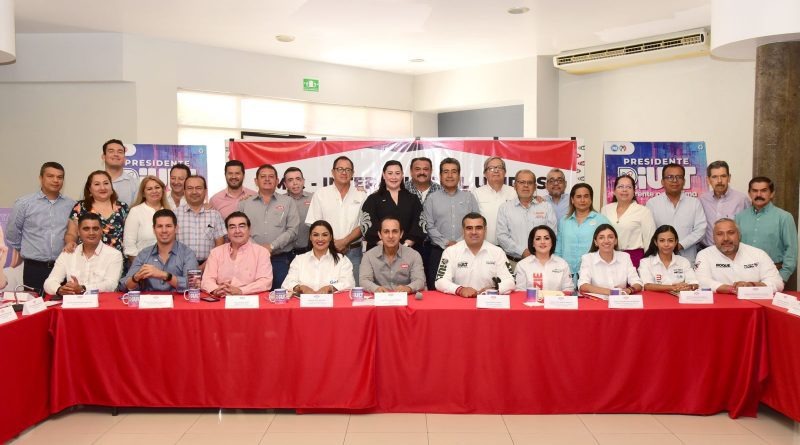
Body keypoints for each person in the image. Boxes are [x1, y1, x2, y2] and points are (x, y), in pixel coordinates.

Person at [6, 162, 76, 293]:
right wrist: (28, 250)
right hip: (34, 268)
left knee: (63, 304)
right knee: (35, 304)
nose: (55, 180)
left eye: (60, 177)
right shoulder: (24, 203)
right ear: (41, 178)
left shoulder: (72, 205)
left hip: (63, 267)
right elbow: (12, 234)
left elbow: (74, 232)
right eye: (50, 176)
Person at [305, 156, 366, 285]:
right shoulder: (321, 194)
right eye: (340, 169)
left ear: (353, 173)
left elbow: (364, 225)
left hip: (354, 252)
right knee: (326, 289)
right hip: (326, 251)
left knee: (354, 290)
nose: (344, 172)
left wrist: (344, 241)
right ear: (333, 172)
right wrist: (333, 244)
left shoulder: (361, 195)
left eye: (348, 169)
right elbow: (315, 225)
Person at [422, 158, 480, 290]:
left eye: (454, 172)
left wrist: (458, 243)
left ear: (459, 175)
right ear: (440, 176)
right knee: (437, 290)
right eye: (446, 172)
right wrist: (446, 243)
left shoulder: (469, 197)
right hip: (438, 251)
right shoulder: (432, 198)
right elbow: (429, 226)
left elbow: (476, 223)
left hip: (465, 251)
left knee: (466, 288)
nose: (450, 175)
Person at [238, 164, 298, 289]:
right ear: (256, 181)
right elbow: (240, 231)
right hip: (251, 260)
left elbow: (292, 230)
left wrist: (271, 246)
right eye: (263, 176)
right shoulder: (244, 203)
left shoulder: (288, 202)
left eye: (271, 176)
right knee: (252, 296)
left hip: (280, 260)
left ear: (277, 181)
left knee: (281, 296)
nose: (267, 179)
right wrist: (259, 249)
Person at [434, 212, 515, 297]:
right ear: (463, 231)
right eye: (469, 228)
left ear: (485, 230)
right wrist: (460, 290)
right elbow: (440, 281)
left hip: (489, 300)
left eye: (478, 228)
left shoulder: (497, 252)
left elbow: (510, 280)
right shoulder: (450, 252)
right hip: (459, 300)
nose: (474, 232)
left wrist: (495, 289)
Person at [735, 176, 797, 283]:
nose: (759, 194)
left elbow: (791, 251)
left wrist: (782, 278)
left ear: (772, 193)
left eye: (764, 191)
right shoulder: (740, 217)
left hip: (774, 274)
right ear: (749, 193)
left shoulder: (784, 217)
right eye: (755, 191)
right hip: (744, 275)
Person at [695, 218, 784, 294]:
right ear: (713, 238)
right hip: (719, 306)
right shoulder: (704, 255)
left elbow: (778, 283)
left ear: (739, 235)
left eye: (731, 233)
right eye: (720, 234)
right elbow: (701, 282)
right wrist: (732, 289)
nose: (726, 238)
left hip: (752, 304)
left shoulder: (759, 254)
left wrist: (751, 285)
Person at [43, 213, 123, 295]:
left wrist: (83, 289)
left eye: (95, 229)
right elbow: (49, 282)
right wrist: (59, 289)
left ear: (101, 231)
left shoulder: (114, 255)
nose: (91, 233)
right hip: (72, 301)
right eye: (86, 229)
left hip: (102, 302)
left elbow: (111, 285)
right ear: (78, 232)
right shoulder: (68, 253)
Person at [121, 209, 198, 292]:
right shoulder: (144, 254)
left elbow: (193, 285)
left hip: (179, 300)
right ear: (154, 229)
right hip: (149, 300)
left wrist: (164, 275)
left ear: (176, 228)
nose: (164, 230)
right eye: (160, 226)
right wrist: (135, 278)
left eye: (168, 226)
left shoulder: (188, 253)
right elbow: (123, 286)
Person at [201, 211, 273, 296]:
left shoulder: (261, 252)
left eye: (241, 226)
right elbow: (207, 279)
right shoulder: (216, 252)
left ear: (249, 230)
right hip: (222, 298)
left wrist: (241, 290)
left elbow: (265, 282)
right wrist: (215, 290)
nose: (237, 231)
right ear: (227, 232)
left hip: (251, 299)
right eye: (232, 227)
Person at [646, 163, 706, 263]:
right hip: (660, 260)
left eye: (679, 177)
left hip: (688, 259)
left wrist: (681, 245)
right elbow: (649, 232)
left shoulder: (694, 203)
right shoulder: (652, 203)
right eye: (670, 177)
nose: (674, 180)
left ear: (684, 181)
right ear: (662, 181)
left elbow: (701, 229)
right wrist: (665, 245)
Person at [360, 160, 424, 250]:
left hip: (408, 250)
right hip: (378, 251)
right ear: (383, 175)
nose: (394, 177)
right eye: (390, 173)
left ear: (402, 175)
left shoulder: (413, 199)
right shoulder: (373, 199)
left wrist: (405, 246)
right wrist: (387, 247)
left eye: (397, 173)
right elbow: (367, 227)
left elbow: (419, 225)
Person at [64, 171, 130, 257]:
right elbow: (71, 233)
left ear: (111, 187)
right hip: (87, 260)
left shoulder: (123, 207)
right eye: (97, 184)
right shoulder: (80, 207)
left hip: (118, 260)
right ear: (90, 189)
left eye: (106, 183)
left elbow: (130, 236)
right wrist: (70, 242)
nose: (102, 187)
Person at [497, 169, 557, 262]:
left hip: (541, 261)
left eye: (530, 182)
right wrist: (522, 251)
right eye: (522, 182)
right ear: (515, 185)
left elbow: (552, 234)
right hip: (514, 262)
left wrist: (537, 252)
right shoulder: (505, 208)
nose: (526, 185)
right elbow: (502, 236)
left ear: (535, 187)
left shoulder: (546, 207)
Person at [555, 183, 611, 283]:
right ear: (572, 200)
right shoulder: (564, 221)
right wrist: (557, 269)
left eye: (586, 196)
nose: (582, 200)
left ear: (591, 199)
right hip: (567, 273)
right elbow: (558, 249)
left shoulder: (601, 220)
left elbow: (609, 247)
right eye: (578, 197)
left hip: (593, 273)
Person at [282, 220, 355, 294]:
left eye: (325, 235)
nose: (320, 239)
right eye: (316, 235)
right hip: (304, 301)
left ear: (330, 237)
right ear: (310, 237)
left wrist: (330, 288)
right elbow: (287, 283)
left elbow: (349, 283)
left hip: (334, 301)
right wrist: (300, 288)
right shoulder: (299, 260)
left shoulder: (342, 260)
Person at [600, 175, 655, 267]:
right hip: (609, 257)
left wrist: (648, 264)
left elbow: (649, 240)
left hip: (634, 259)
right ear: (614, 191)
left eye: (629, 187)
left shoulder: (643, 211)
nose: (624, 190)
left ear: (634, 192)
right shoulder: (605, 209)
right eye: (620, 187)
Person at [360, 217, 425, 293]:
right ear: (380, 235)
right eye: (386, 232)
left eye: (395, 231)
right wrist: (376, 288)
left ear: (401, 234)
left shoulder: (414, 255)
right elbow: (364, 280)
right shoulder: (369, 256)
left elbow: (420, 280)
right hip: (379, 298)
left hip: (406, 297)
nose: (390, 236)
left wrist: (409, 288)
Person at [577, 224, 643, 295]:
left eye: (610, 237)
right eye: (601, 238)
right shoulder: (587, 258)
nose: (606, 241)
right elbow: (583, 285)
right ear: (596, 242)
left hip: (620, 299)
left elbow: (637, 283)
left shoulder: (625, 257)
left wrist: (629, 290)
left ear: (615, 241)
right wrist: (611, 292)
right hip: (597, 300)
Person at [698, 160, 750, 248]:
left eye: (723, 176)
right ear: (708, 180)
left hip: (733, 250)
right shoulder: (702, 200)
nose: (719, 181)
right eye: (714, 177)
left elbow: (748, 227)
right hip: (707, 250)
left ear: (729, 178)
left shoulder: (742, 199)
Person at [176, 175, 226, 267]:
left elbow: (220, 245)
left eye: (198, 188)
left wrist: (205, 266)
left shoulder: (215, 215)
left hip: (209, 266)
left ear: (205, 191)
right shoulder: (175, 215)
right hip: (180, 266)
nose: (194, 192)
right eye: (190, 188)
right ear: (184, 191)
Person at [638, 225, 699, 292]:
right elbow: (647, 286)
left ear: (676, 242)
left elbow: (694, 283)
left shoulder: (683, 261)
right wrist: (673, 287)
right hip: (655, 298)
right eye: (662, 240)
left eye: (670, 240)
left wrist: (689, 286)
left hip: (679, 298)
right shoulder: (645, 262)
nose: (666, 244)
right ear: (656, 242)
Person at [123, 175, 170, 262]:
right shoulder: (135, 211)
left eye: (157, 187)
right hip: (143, 264)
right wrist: (140, 266)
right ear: (143, 193)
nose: (154, 191)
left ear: (163, 190)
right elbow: (129, 245)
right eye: (149, 189)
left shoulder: (170, 211)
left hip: (168, 264)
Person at [472, 156, 517, 245]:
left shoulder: (514, 192)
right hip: (485, 246)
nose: (496, 171)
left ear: (505, 172)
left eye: (499, 167)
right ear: (485, 174)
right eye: (491, 168)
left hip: (510, 247)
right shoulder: (476, 193)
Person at [514, 225, 573, 292]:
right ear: (533, 243)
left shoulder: (562, 264)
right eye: (538, 239)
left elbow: (568, 289)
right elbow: (519, 292)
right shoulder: (522, 265)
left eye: (546, 238)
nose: (542, 242)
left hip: (557, 299)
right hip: (531, 299)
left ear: (552, 242)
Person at [283, 167, 313, 259]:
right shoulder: (279, 201)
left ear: (303, 181)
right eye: (290, 180)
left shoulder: (314, 198)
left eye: (298, 179)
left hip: (310, 252)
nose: (295, 183)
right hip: (285, 254)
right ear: (285, 184)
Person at [101, 139, 138, 206]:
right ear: (103, 157)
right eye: (111, 151)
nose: (116, 154)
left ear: (124, 158)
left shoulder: (135, 184)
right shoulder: (92, 182)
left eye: (120, 152)